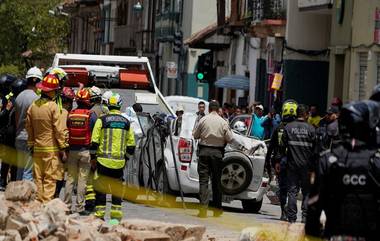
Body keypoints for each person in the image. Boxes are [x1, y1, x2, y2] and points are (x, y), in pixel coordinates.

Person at [306, 100, 380, 240]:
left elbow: (314, 204)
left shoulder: (327, 160)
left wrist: (312, 233)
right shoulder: (376, 162)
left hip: (335, 235)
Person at [91, 92, 136, 220]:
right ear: (120, 105)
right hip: (119, 164)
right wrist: (125, 159)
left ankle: (99, 217)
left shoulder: (102, 120)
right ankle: (115, 221)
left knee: (101, 191)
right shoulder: (127, 123)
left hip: (102, 163)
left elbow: (94, 142)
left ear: (108, 106)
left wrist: (93, 158)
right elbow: (131, 146)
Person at [25, 73, 68, 203]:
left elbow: (29, 127)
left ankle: (38, 204)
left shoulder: (33, 106)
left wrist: (31, 144)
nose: (55, 92)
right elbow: (59, 130)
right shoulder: (53, 106)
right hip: (52, 151)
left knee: (38, 178)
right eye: (55, 90)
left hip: (37, 149)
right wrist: (63, 147)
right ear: (50, 91)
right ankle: (46, 206)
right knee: (49, 179)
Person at [193, 100, 234, 218]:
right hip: (217, 153)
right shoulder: (223, 122)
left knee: (204, 181)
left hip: (204, 152)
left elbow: (195, 135)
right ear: (218, 109)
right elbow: (230, 138)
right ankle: (216, 209)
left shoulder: (203, 120)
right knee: (216, 182)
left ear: (209, 109)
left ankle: (203, 210)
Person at [65, 88, 97, 215]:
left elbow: (67, 129)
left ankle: (66, 206)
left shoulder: (71, 113)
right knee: (82, 180)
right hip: (85, 151)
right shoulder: (91, 115)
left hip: (72, 150)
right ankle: (79, 207)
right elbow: (94, 134)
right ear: (88, 101)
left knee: (70, 179)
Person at [281, 104, 315, 223]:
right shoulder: (311, 129)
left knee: (292, 191)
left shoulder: (288, 127)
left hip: (292, 165)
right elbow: (315, 150)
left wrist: (278, 161)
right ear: (305, 114)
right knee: (306, 191)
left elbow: (282, 147)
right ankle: (305, 217)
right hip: (306, 166)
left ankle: (291, 218)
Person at [265, 100, 298, 221]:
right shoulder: (297, 128)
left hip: (281, 163)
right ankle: (291, 214)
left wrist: (268, 162)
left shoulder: (279, 127)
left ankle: (284, 213)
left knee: (283, 188)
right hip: (295, 163)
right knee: (293, 189)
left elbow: (272, 147)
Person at [14, 68, 42, 182]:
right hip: (29, 139)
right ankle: (25, 198)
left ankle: (17, 196)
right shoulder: (35, 98)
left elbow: (16, 120)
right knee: (28, 171)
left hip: (19, 137)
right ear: (35, 80)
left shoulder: (19, 96)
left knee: (20, 169)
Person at [54, 87, 75, 198]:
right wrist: (64, 151)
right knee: (59, 174)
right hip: (59, 149)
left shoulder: (53, 108)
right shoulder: (64, 112)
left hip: (49, 146)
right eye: (70, 101)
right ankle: (55, 196)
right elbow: (62, 133)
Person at [0, 76, 19, 190]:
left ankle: (11, 181)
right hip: (8, 132)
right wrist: (7, 109)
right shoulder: (9, 99)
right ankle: (3, 181)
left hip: (11, 132)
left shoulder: (13, 98)